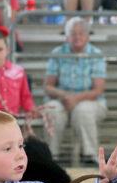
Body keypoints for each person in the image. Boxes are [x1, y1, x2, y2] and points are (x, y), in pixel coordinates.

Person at [43, 17, 107, 164]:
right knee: (52, 110)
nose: (77, 37)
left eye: (81, 33)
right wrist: (64, 96)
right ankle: (52, 157)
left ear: (88, 36)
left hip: (91, 101)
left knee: (83, 110)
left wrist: (76, 99)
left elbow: (98, 90)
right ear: (66, 37)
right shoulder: (58, 53)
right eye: (73, 33)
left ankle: (89, 156)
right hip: (62, 98)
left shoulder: (96, 54)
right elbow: (48, 86)